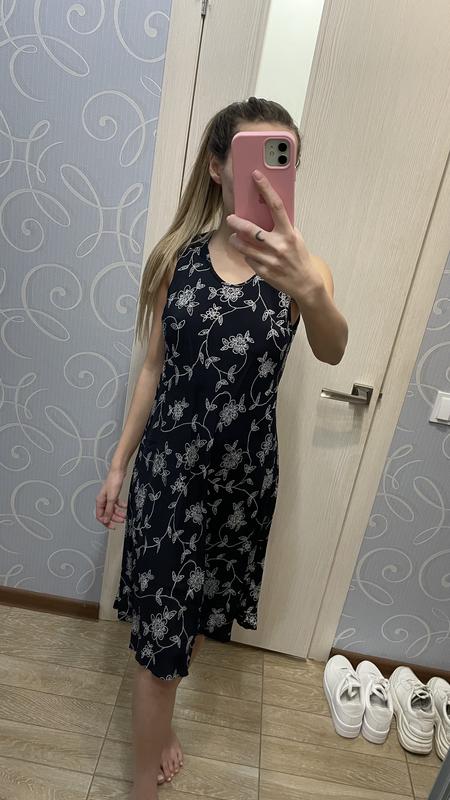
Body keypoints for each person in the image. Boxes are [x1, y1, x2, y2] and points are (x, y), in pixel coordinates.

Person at [95, 97, 348, 800]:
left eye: (282, 157)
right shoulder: (176, 260)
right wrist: (118, 464)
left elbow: (333, 350)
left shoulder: (306, 272)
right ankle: (142, 785)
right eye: (251, 156)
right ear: (217, 166)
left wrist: (311, 291)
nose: (266, 174)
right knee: (159, 641)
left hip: (242, 484)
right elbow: (153, 368)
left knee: (197, 618)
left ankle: (162, 723)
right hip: (170, 475)